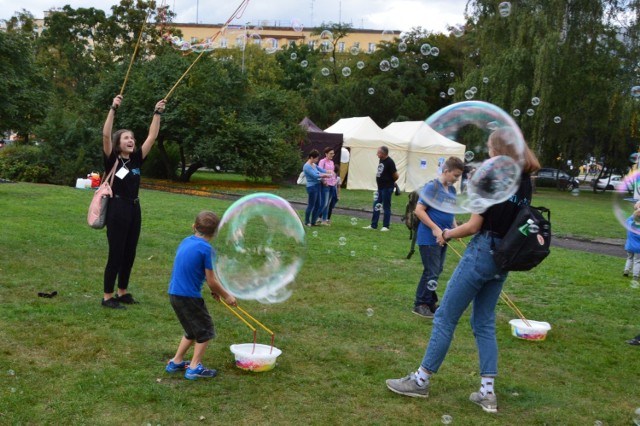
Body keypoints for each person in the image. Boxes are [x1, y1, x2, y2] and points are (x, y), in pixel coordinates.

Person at [386, 130, 541, 414]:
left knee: (444, 316)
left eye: (491, 149)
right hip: (503, 258)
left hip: (482, 252)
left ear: (499, 150)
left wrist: (445, 232)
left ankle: (420, 381)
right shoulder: (524, 182)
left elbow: (473, 227)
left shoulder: (493, 178)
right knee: (483, 323)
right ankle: (487, 394)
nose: (489, 155)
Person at [101, 94, 166, 309]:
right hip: (117, 208)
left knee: (130, 251)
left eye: (132, 138)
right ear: (118, 142)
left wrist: (157, 113)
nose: (131, 140)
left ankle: (122, 292)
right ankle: (107, 296)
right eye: (126, 138)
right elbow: (105, 135)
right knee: (116, 252)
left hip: (134, 207)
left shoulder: (137, 159)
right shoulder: (113, 160)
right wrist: (113, 108)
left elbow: (152, 137)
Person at [165, 211, 237, 380]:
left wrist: (213, 290)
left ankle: (176, 362)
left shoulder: (186, 241)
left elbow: (193, 268)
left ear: (194, 227)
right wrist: (227, 295)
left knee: (191, 330)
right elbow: (211, 280)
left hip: (175, 293)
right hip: (189, 297)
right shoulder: (207, 250)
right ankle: (194, 367)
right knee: (205, 330)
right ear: (215, 233)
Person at [413, 157, 464, 318]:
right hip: (430, 237)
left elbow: (450, 212)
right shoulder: (432, 187)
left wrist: (456, 229)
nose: (457, 180)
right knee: (431, 271)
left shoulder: (452, 190)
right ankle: (420, 304)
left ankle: (429, 302)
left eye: (459, 177)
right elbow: (419, 210)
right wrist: (435, 229)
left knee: (437, 270)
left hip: (444, 237)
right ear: (446, 171)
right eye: (455, 175)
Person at [363, 146, 398, 231]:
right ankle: (373, 225)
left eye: (378, 152)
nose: (377, 154)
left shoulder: (390, 162)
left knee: (386, 207)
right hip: (380, 188)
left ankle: (386, 226)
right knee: (376, 205)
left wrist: (390, 182)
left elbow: (396, 175)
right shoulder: (381, 160)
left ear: (383, 153)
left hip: (387, 188)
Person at [302, 149, 331, 227]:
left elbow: (320, 170)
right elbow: (315, 175)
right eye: (316, 159)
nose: (317, 160)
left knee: (319, 204)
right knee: (311, 205)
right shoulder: (306, 166)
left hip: (317, 186)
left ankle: (313, 222)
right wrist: (324, 175)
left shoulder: (314, 165)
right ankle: (307, 222)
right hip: (312, 187)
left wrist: (328, 171)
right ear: (311, 157)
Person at [319, 147, 338, 225]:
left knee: (328, 203)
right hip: (325, 184)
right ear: (326, 154)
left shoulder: (332, 162)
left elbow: (332, 174)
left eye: (333, 153)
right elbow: (319, 172)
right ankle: (321, 219)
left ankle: (323, 219)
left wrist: (334, 183)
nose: (332, 155)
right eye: (330, 153)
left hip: (332, 184)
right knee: (325, 203)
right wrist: (324, 181)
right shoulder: (322, 161)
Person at [623, 208, 640, 281]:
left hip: (629, 246)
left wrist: (637, 211)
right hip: (638, 249)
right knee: (637, 261)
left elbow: (629, 219)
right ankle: (635, 276)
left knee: (629, 258)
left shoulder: (629, 224)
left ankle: (626, 271)